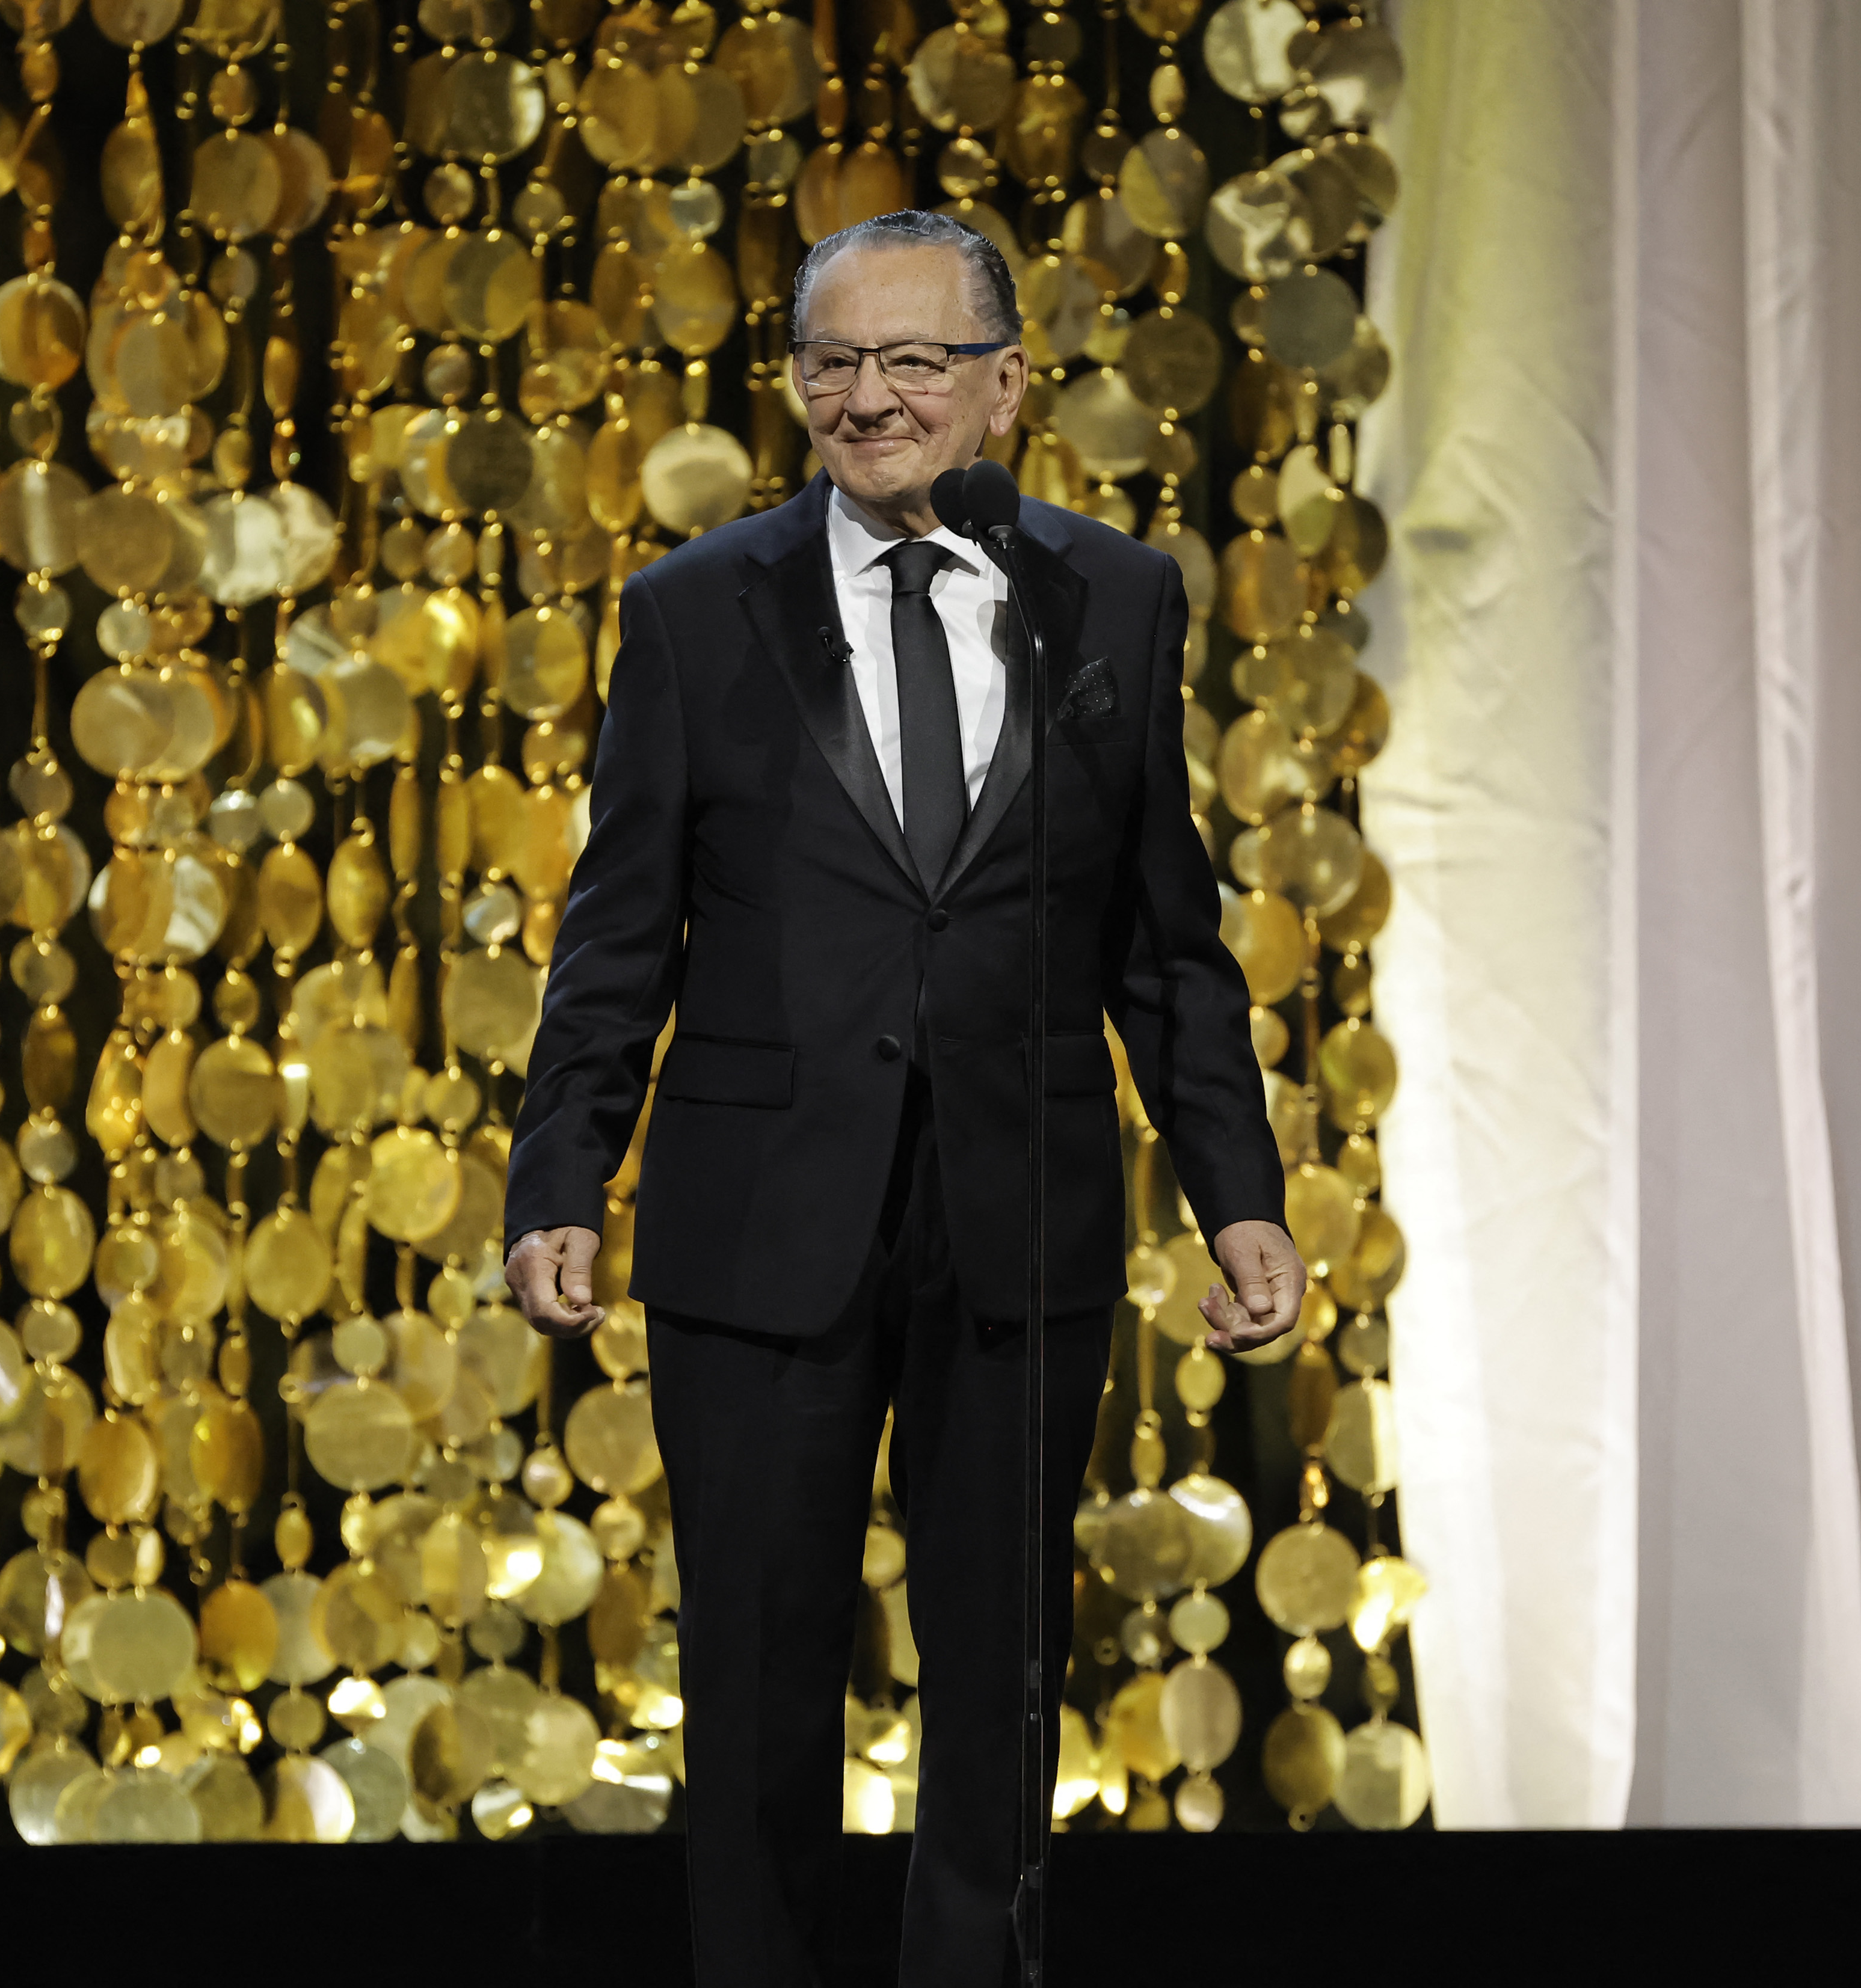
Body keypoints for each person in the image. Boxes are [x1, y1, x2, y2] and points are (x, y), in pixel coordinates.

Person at [503, 209, 1298, 1987]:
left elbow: (1164, 937)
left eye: (915, 361)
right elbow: (617, 933)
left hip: (1020, 1223)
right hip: (757, 1228)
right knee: (759, 1690)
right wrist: (561, 1173)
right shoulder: (694, 610)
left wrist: (1238, 1192)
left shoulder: (1109, 595)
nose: (870, 398)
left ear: (1005, 385)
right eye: (833, 362)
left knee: (1004, 1696)